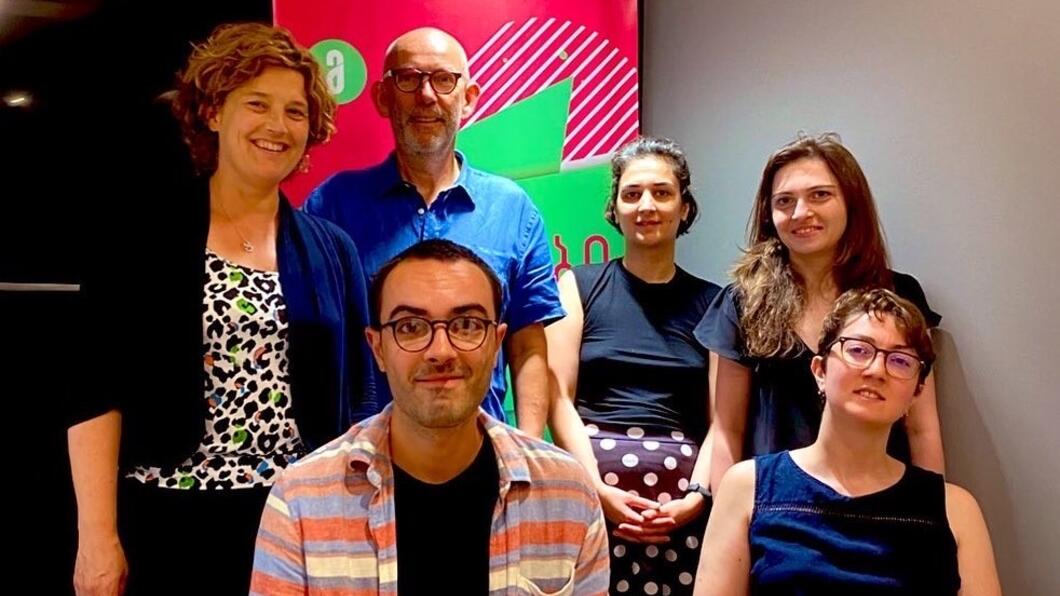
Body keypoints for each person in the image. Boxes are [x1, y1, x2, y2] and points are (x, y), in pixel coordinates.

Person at [67, 23, 376, 595]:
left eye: (294, 112)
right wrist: (97, 538)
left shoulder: (335, 250)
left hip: (299, 523)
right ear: (212, 112)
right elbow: (95, 391)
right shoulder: (138, 240)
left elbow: (361, 400)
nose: (276, 126)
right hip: (169, 520)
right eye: (256, 104)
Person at [251, 239, 609, 595]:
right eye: (410, 327)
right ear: (377, 349)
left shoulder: (567, 494)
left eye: (466, 324)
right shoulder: (300, 500)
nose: (441, 351)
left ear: (496, 344)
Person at [304, 27, 563, 437]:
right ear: (382, 97)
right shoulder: (332, 206)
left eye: (444, 80)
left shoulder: (514, 210)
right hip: (364, 457)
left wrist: (526, 450)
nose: (426, 95)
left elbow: (527, 345)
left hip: (483, 451)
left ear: (469, 97)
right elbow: (310, 341)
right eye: (408, 79)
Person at [695, 288, 1001, 595]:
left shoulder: (956, 511)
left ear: (916, 393)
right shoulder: (748, 489)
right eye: (858, 350)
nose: (876, 370)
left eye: (900, 361)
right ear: (820, 371)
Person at [696, 133, 945, 494]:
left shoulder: (899, 296)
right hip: (777, 512)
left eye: (820, 195)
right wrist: (729, 524)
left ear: (851, 202)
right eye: (784, 201)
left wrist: (931, 517)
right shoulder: (741, 301)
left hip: (882, 506)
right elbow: (726, 430)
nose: (801, 213)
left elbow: (921, 426)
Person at [546, 137, 720, 594]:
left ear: (685, 207)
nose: (647, 205)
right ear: (615, 208)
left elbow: (723, 422)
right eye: (632, 193)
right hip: (590, 495)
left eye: (662, 192)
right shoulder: (577, 286)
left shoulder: (716, 304)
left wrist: (696, 499)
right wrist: (596, 490)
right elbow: (558, 398)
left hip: (683, 508)